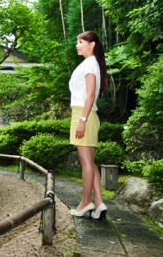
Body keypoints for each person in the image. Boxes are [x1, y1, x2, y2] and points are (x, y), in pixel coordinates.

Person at [68, 31, 108, 220]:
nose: (77, 45)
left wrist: (82, 121)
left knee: (86, 162)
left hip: (84, 114)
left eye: (81, 41)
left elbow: (90, 95)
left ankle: (85, 203)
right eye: (77, 41)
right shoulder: (90, 63)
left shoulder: (90, 64)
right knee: (90, 162)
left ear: (91, 44)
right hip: (87, 114)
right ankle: (99, 202)